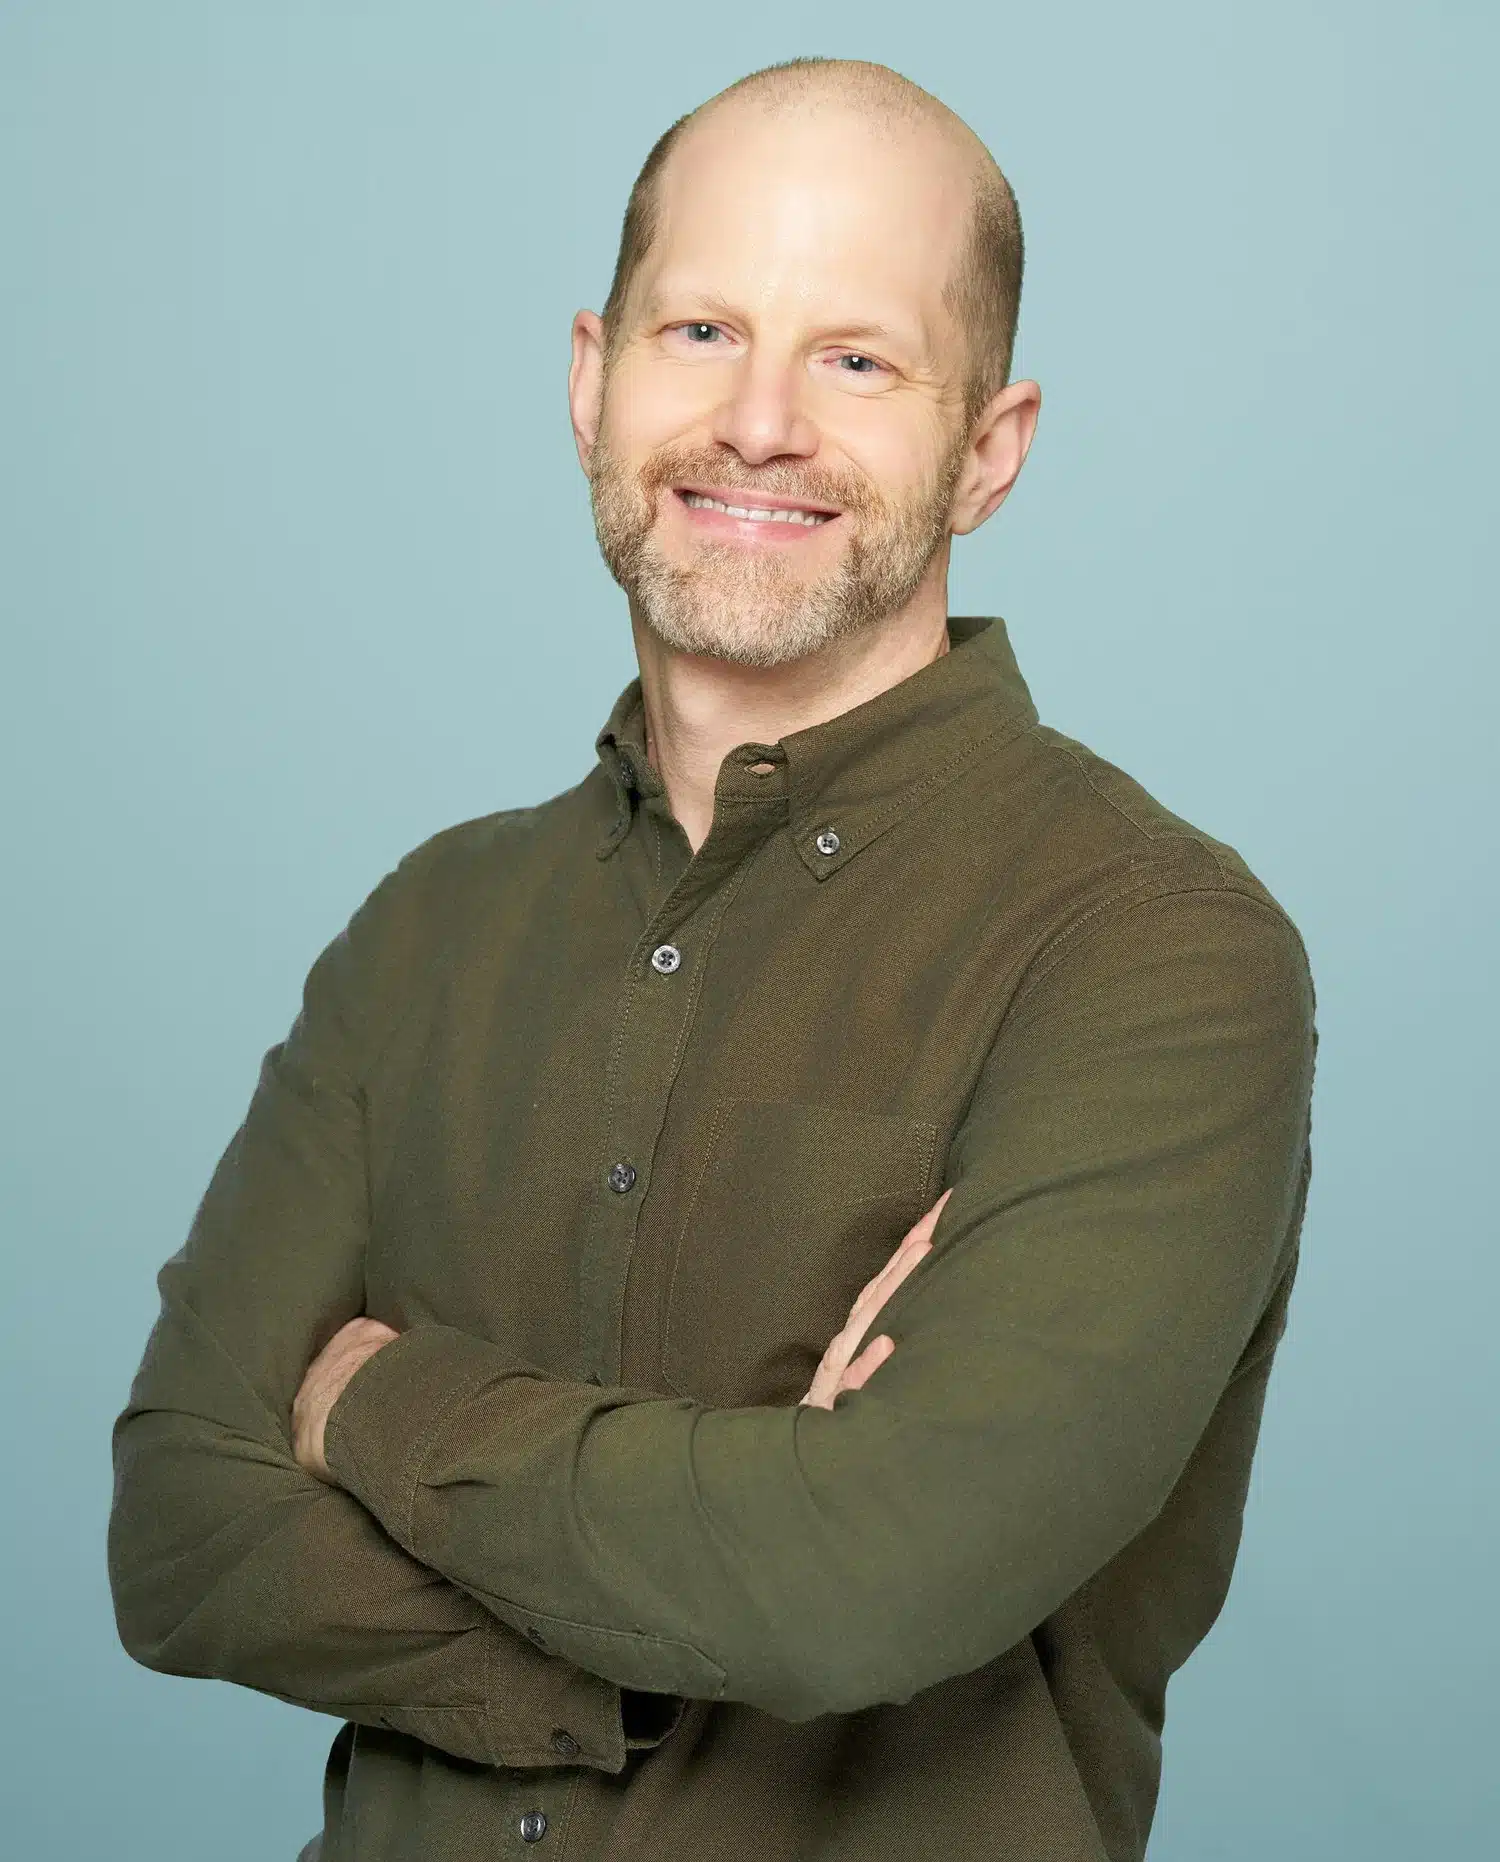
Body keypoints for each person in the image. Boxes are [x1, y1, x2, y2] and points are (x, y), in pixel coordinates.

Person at [108, 54, 1318, 1862]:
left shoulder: (1155, 950)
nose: (759, 423)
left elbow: (867, 1574)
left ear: (990, 449)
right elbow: (178, 1532)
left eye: (858, 359)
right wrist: (678, 1615)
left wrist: (369, 1401)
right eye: (701, 332)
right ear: (590, 380)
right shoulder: (427, 924)